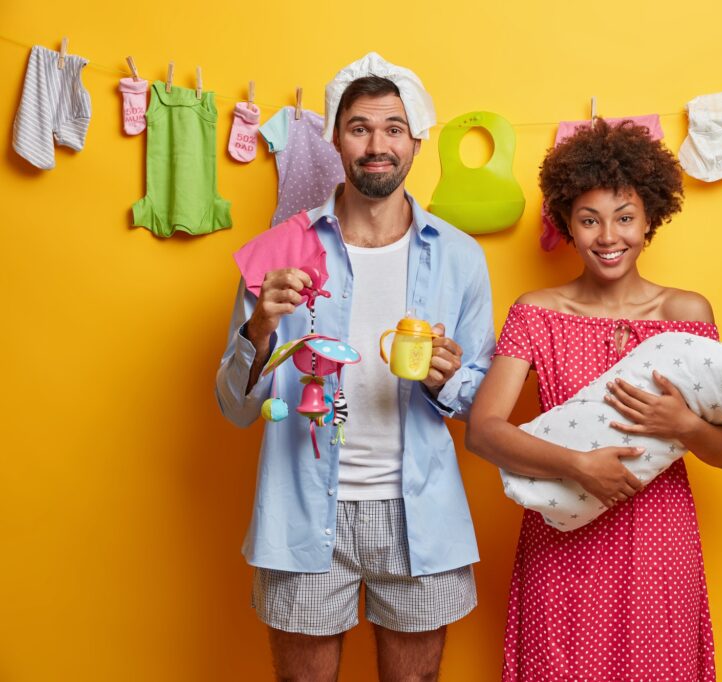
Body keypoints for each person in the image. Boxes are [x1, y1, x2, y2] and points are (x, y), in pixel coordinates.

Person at [215, 53, 494, 682]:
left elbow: (484, 402)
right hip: (301, 506)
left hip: (419, 512)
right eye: (360, 128)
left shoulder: (459, 257)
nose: (377, 144)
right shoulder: (283, 247)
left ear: (416, 141)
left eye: (393, 128)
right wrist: (258, 327)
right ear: (336, 138)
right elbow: (233, 407)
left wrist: (450, 381)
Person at [466, 119, 722, 681]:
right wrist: (576, 465)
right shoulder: (536, 312)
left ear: (650, 221)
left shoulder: (687, 315)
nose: (608, 236)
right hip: (561, 535)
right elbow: (483, 430)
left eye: (625, 218)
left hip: (657, 542)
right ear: (567, 222)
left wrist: (683, 421)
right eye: (589, 220)